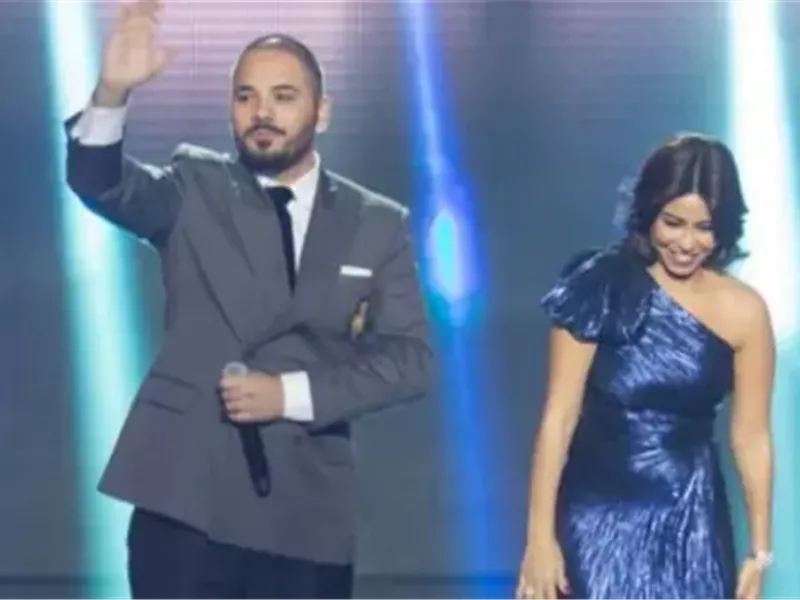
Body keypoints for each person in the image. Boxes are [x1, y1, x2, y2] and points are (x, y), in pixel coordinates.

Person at [64, 1, 433, 598]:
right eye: (246, 97)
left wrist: (289, 394)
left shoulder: (376, 222)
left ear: (322, 110)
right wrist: (111, 92)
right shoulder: (195, 184)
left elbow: (409, 361)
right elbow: (100, 182)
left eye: (283, 97)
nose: (262, 112)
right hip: (185, 501)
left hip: (304, 511)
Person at [516, 133, 775, 600]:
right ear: (649, 212)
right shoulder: (598, 285)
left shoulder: (746, 312)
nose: (687, 243)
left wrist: (759, 553)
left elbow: (751, 436)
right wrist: (539, 539)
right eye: (673, 223)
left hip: (693, 522)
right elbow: (559, 417)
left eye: (704, 228)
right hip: (595, 518)